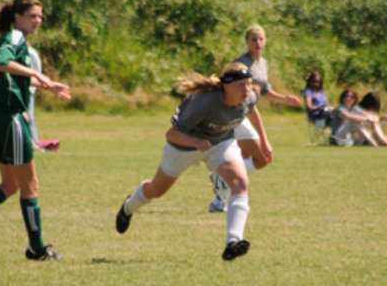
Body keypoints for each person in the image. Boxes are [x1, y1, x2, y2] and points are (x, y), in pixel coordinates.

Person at [116, 62, 273, 261]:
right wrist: (196, 142)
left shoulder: (248, 97)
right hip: (184, 147)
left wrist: (264, 140)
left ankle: (233, 242)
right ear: (226, 86)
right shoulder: (203, 103)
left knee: (240, 183)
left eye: (249, 83)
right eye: (240, 85)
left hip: (220, 143)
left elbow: (252, 110)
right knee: (156, 190)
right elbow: (171, 134)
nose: (246, 89)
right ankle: (128, 207)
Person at [0, 0, 71, 262]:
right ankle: (37, 248)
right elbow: (2, 63)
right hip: (9, 118)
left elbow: (9, 77)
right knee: (29, 184)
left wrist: (47, 85)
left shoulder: (16, 39)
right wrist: (37, 74)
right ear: (17, 17)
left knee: (10, 184)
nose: (38, 21)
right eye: (32, 16)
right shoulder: (15, 37)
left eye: (40, 16)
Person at [209, 24, 301, 212]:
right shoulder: (241, 64)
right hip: (235, 115)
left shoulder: (263, 64)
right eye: (254, 39)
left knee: (247, 159)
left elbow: (264, 91)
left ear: (265, 41)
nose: (258, 42)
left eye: (261, 39)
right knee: (262, 157)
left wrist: (284, 99)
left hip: (246, 113)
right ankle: (222, 180)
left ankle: (219, 199)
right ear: (247, 42)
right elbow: (225, 89)